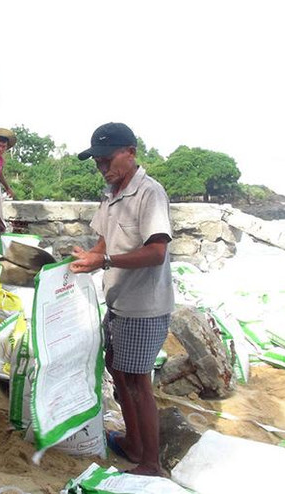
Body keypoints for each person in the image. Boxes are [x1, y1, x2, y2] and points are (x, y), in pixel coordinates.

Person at [69, 122, 174, 477]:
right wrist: (90, 257)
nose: (102, 167)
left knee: (138, 381)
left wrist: (106, 260)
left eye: (107, 159)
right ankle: (133, 443)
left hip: (144, 307)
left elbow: (157, 251)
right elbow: (105, 241)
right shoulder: (111, 193)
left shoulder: (149, 193)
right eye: (97, 161)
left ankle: (151, 464)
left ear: (130, 151)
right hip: (118, 302)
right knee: (116, 367)